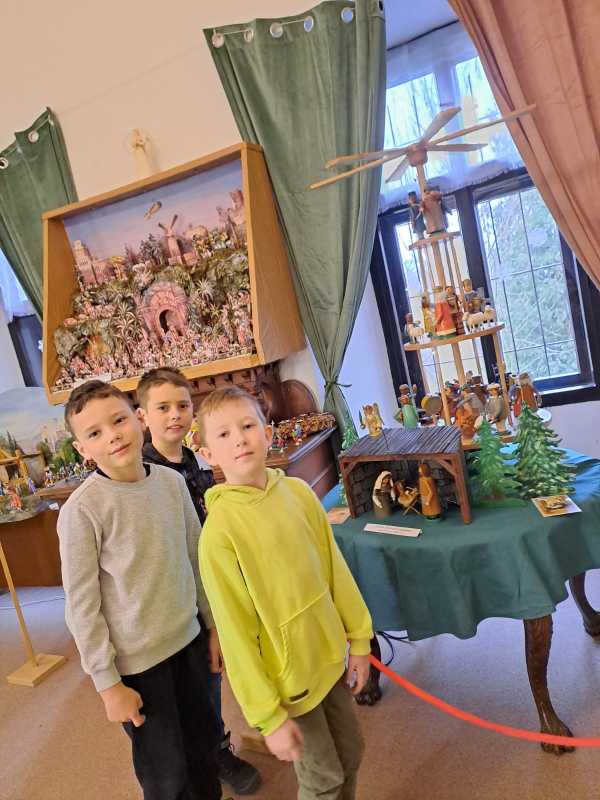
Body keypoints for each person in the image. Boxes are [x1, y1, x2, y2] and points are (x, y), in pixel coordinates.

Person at [197, 386, 373, 800]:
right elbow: (236, 635)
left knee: (351, 753)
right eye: (223, 434)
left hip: (328, 659)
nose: (239, 439)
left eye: (247, 426)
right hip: (288, 682)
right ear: (208, 454)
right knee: (323, 778)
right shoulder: (218, 534)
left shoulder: (298, 494)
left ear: (267, 434)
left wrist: (360, 640)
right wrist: (268, 716)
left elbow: (335, 571)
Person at [57, 380, 222, 800]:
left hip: (190, 644)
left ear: (137, 419)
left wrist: (213, 628)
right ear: (82, 449)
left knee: (205, 749)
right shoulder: (81, 512)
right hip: (139, 668)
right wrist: (108, 685)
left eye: (119, 420)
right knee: (167, 775)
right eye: (95, 433)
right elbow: (82, 607)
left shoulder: (171, 483)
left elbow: (195, 559)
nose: (113, 435)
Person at [136, 367, 261, 796]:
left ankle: (222, 738)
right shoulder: (144, 473)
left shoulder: (196, 460)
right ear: (143, 415)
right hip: (179, 592)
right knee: (198, 678)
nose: (175, 415)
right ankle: (213, 751)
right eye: (163, 407)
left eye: (183, 405)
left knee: (219, 664)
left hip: (214, 577)